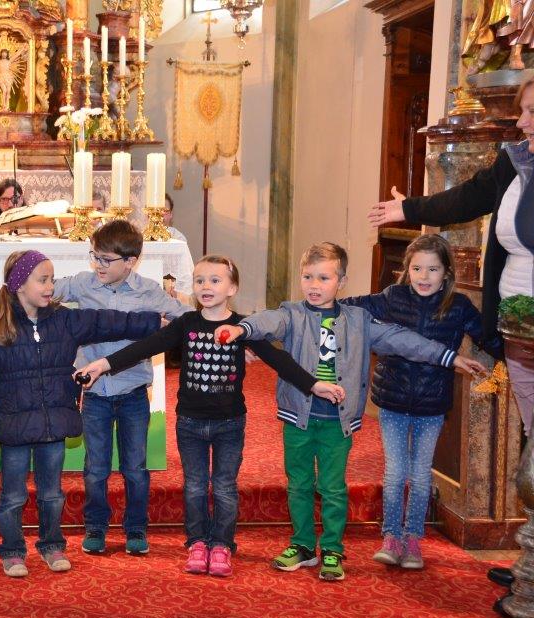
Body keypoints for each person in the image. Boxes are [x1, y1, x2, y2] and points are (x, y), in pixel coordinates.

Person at [214, 242, 487, 582]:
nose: (314, 285)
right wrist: (242, 329)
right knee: (299, 483)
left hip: (337, 420)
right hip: (298, 415)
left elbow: (403, 340)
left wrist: (450, 357)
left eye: (324, 278)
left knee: (332, 487)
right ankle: (302, 545)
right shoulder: (292, 313)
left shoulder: (359, 320)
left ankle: (332, 548)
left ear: (341, 282)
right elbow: (268, 320)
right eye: (308, 277)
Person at [77, 255, 345, 576]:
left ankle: (221, 544)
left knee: (224, 487)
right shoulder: (186, 323)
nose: (206, 286)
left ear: (232, 288)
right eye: (200, 280)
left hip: (229, 423)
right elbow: (146, 346)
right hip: (190, 423)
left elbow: (279, 360)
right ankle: (196, 543)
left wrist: (314, 384)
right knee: (193, 486)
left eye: (215, 280)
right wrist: (103, 365)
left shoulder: (242, 328)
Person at [0, 250, 162, 577]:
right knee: (13, 496)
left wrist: (155, 323)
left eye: (52, 279)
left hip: (53, 424)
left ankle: (52, 545)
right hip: (14, 427)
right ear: (19, 284)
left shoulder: (64, 320)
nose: (50, 286)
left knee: (52, 494)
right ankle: (13, 550)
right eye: (43, 280)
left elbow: (109, 321)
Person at [368, 75, 534, 436]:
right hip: (515, 323)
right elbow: (467, 198)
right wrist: (409, 209)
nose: (522, 122)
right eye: (522, 111)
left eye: (532, 112)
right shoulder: (515, 161)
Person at [342, 235, 502, 569]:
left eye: (432, 269)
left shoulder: (458, 306)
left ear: (446, 272)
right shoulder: (393, 297)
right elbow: (351, 307)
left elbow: (488, 337)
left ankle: (413, 539)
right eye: (417, 268)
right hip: (392, 399)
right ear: (407, 270)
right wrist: (318, 301)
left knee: (419, 473)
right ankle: (391, 537)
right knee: (396, 471)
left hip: (432, 404)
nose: (424, 276)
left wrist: (514, 356)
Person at [53, 220, 191, 557]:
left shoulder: (149, 291)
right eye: (94, 257)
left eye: (106, 259)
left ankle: (136, 528)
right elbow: (44, 290)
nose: (98, 265)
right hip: (95, 394)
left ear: (130, 261)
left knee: (135, 468)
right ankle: (96, 527)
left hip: (133, 393)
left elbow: (187, 319)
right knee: (95, 468)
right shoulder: (82, 283)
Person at [162, 193, 194, 303]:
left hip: (171, 292)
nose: (160, 215)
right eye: (155, 212)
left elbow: (182, 271)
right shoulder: (140, 237)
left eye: (165, 211)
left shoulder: (178, 238)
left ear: (171, 214)